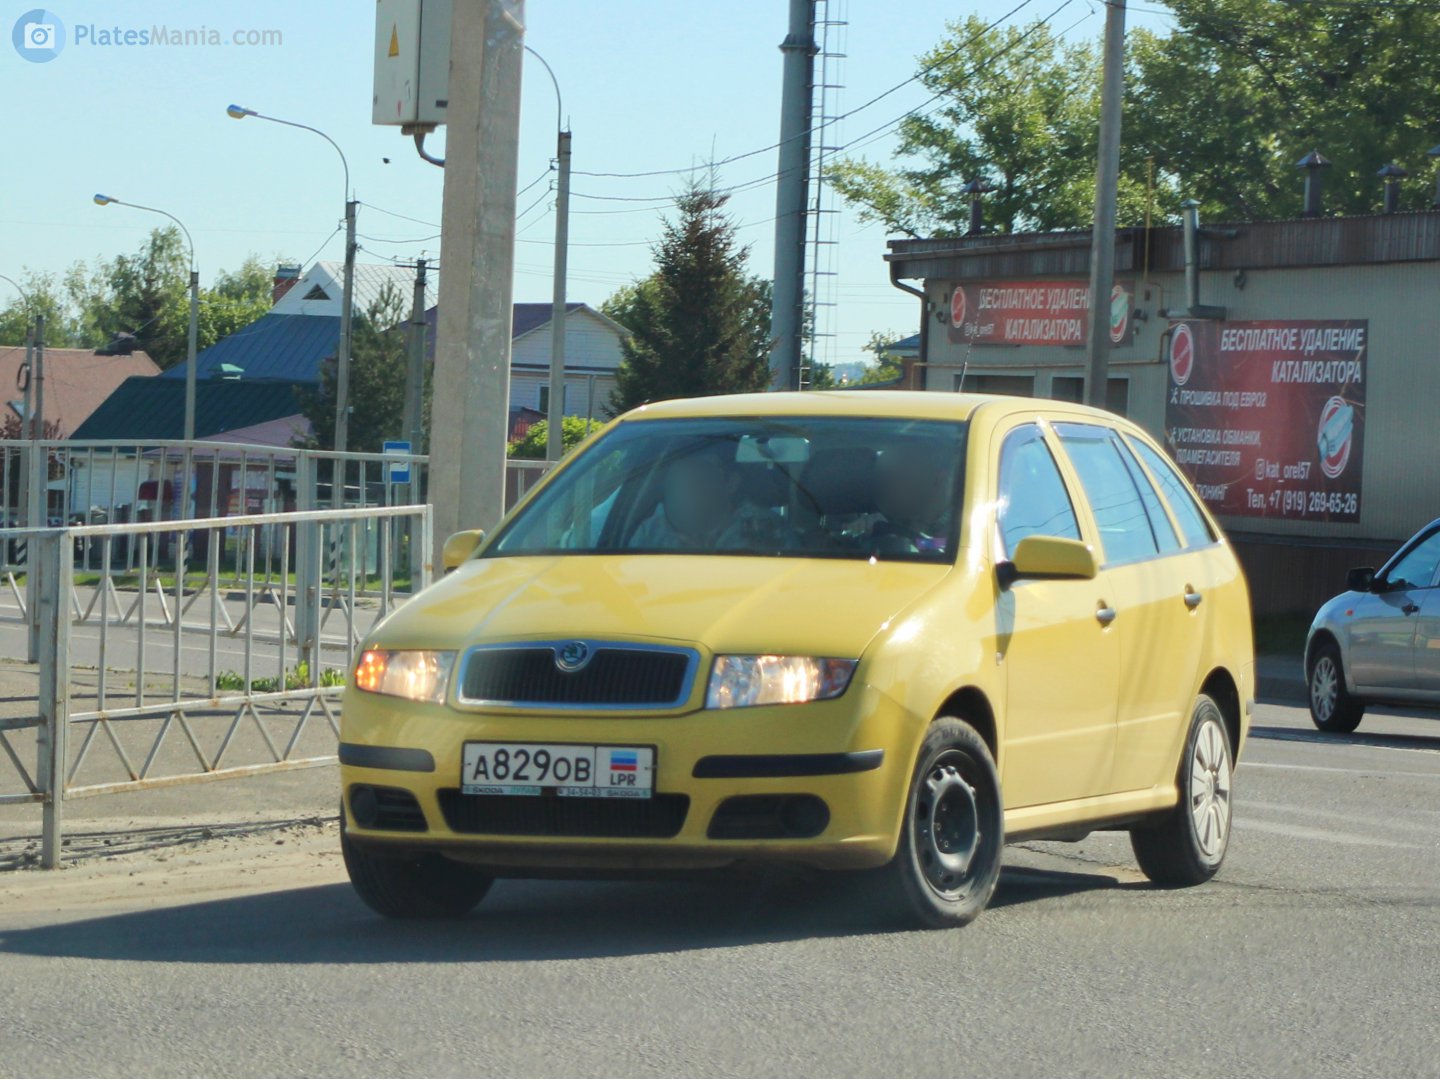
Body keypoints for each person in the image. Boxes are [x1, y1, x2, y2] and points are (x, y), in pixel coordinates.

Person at [629, 444, 784, 551]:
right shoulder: (651, 531)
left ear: (731, 483)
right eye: (677, 486)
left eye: (697, 483)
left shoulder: (765, 528)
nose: (684, 496)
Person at [858, 441, 954, 555]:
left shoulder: (967, 518)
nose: (890, 489)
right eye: (886, 480)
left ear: (937, 481)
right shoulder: (878, 517)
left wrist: (911, 537)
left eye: (905, 481)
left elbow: (950, 544)